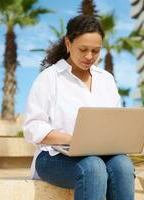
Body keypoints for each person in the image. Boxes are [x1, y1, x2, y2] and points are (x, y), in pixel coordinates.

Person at [23, 15, 135, 200]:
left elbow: (115, 121)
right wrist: (74, 140)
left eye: (96, 51)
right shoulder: (49, 78)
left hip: (100, 154)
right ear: (68, 43)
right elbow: (32, 127)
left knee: (122, 165)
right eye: (83, 49)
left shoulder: (106, 79)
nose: (89, 56)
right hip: (54, 156)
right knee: (93, 167)